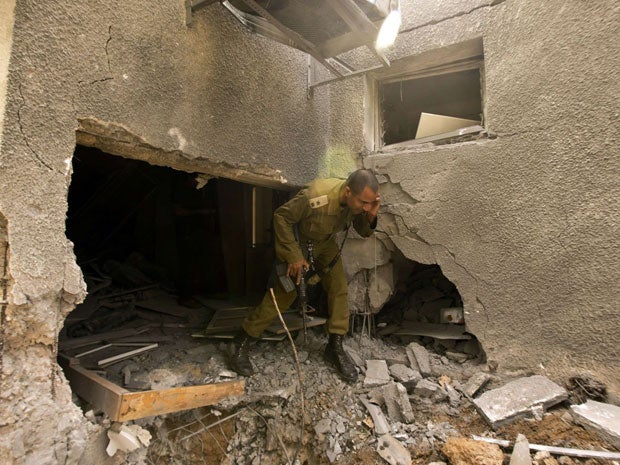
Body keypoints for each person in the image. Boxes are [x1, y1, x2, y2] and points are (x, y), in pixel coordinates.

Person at [231, 169, 380, 382]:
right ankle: (242, 340)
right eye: (363, 203)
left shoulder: (357, 203)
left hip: (325, 244)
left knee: (339, 288)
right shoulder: (316, 195)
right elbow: (281, 217)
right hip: (299, 242)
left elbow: (363, 231)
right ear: (347, 192)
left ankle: (335, 346)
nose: (365, 207)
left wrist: (372, 213)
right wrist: (293, 256)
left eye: (369, 203)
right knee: (285, 295)